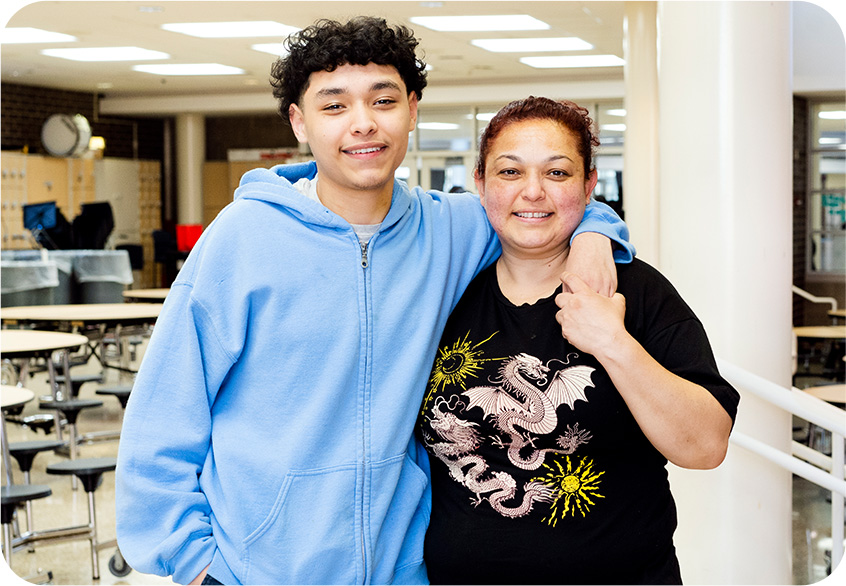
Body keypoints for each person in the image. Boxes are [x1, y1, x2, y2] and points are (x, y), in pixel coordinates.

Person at [115, 18, 634, 586]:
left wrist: (594, 235)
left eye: (383, 100)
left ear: (412, 109)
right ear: (299, 121)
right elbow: (163, 416)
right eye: (334, 106)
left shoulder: (452, 228)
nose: (363, 124)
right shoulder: (242, 238)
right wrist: (194, 564)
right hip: (257, 570)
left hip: (401, 570)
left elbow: (546, 204)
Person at [416, 96, 739, 585]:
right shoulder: (445, 291)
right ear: (480, 183)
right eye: (509, 172)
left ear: (589, 185)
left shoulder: (636, 292)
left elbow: (705, 445)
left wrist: (614, 343)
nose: (532, 192)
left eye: (558, 173)